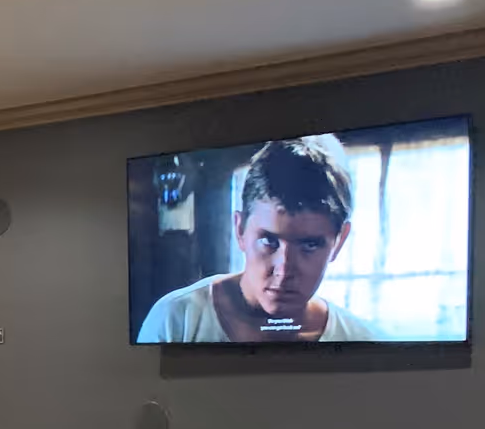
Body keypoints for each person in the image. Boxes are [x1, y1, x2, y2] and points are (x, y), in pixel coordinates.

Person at [136, 135, 381, 343]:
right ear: (240, 229)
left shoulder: (363, 339)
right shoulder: (175, 320)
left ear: (339, 241)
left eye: (309, 244)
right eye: (269, 241)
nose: (284, 270)